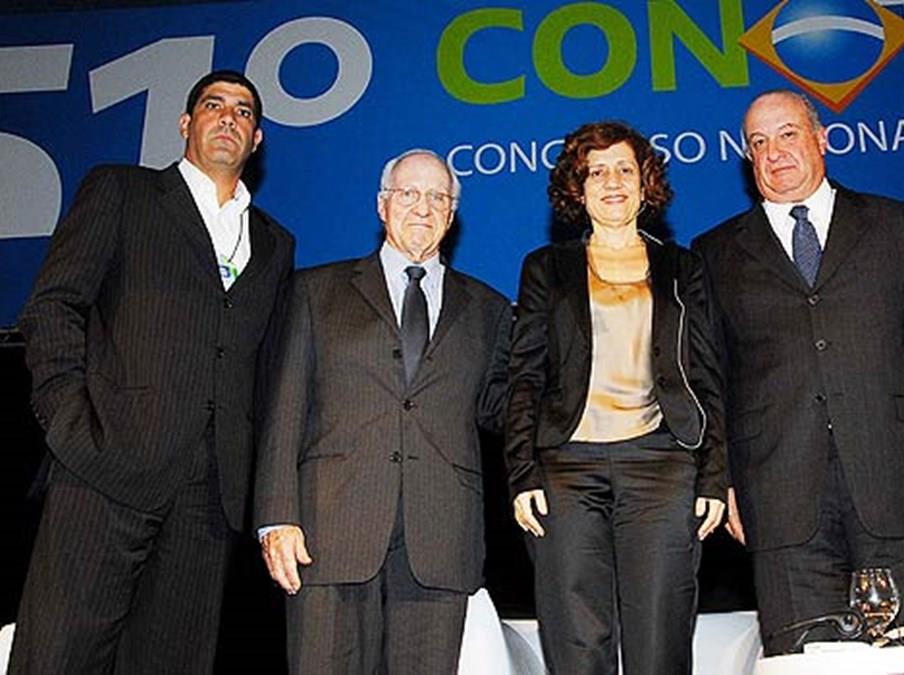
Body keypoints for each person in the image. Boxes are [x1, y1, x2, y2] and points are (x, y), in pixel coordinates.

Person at [12, 70, 294, 674]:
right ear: (186, 123)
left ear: (257, 139)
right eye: (213, 105)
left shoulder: (275, 244)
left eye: (243, 111)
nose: (228, 117)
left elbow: (270, 372)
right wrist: (69, 421)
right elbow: (53, 306)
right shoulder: (123, 191)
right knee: (58, 657)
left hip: (210, 497)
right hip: (105, 468)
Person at [692, 90, 904, 654]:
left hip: (892, 473)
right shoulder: (714, 251)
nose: (774, 153)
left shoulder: (895, 224)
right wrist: (723, 480)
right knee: (802, 657)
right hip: (776, 489)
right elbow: (711, 378)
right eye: (759, 142)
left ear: (821, 139)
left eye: (788, 134)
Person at [254, 149, 511, 674]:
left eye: (438, 197)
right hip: (330, 532)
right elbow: (283, 409)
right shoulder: (315, 292)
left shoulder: (488, 309)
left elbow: (503, 410)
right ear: (382, 205)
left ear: (452, 213)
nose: (423, 207)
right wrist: (276, 517)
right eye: (409, 193)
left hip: (441, 540)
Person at [506, 121, 727, 674]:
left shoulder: (683, 267)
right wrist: (522, 473)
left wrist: (713, 476)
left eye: (624, 169)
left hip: (661, 466)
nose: (612, 182)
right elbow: (525, 376)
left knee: (660, 642)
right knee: (578, 646)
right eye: (596, 172)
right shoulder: (545, 268)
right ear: (577, 189)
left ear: (645, 182)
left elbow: (706, 375)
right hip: (567, 471)